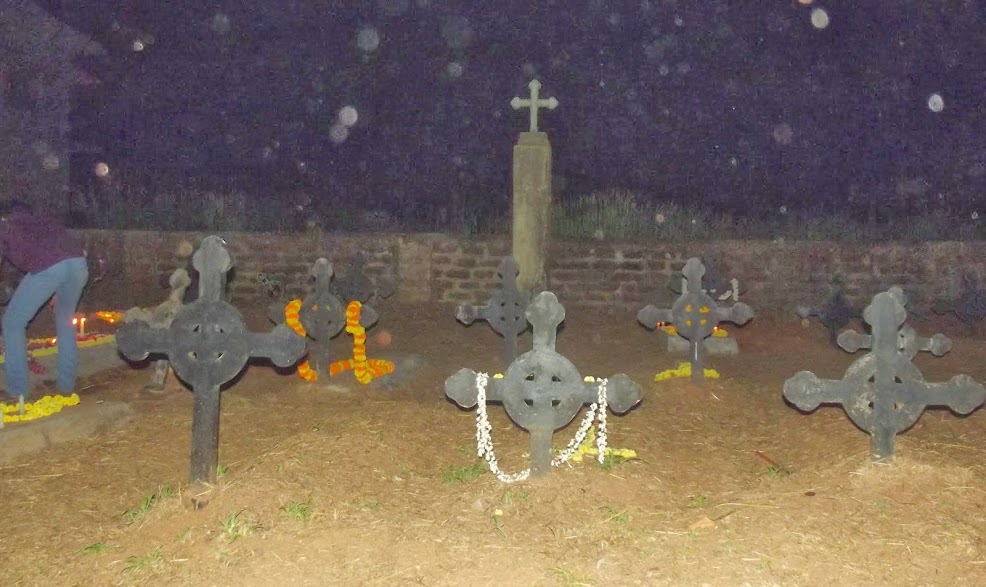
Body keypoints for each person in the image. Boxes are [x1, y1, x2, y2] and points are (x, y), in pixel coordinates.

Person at [0, 200, 89, 401]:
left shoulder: (6, 225)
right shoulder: (42, 219)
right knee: (65, 321)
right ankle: (66, 385)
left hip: (49, 268)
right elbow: (66, 250)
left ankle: (17, 390)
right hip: (78, 264)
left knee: (12, 323)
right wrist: (59, 285)